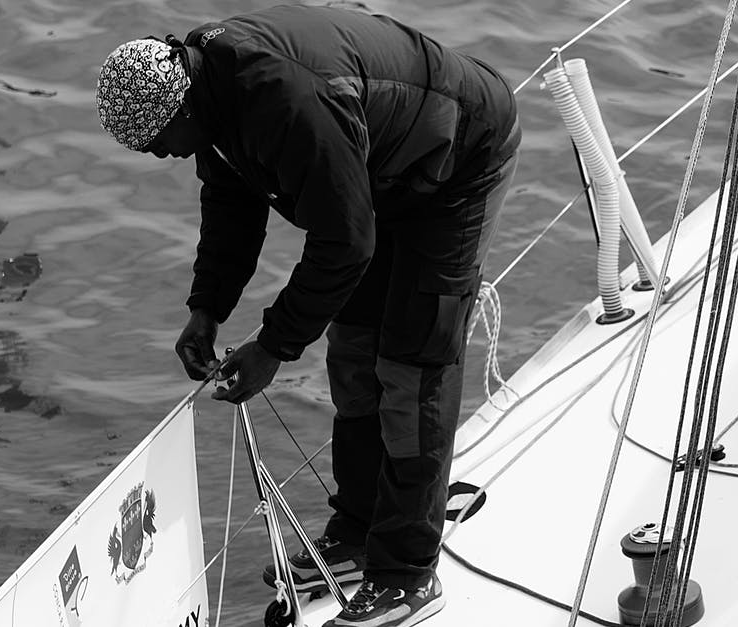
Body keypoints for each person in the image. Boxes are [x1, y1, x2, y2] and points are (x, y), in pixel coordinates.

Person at [95, 5, 521, 626]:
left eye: (158, 143)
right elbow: (232, 211)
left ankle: (407, 574)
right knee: (352, 353)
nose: (160, 156)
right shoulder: (210, 93)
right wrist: (206, 309)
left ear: (181, 107)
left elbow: (346, 244)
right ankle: (356, 533)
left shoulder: (286, 101)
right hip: (381, 173)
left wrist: (273, 347)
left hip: (460, 157)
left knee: (411, 367)